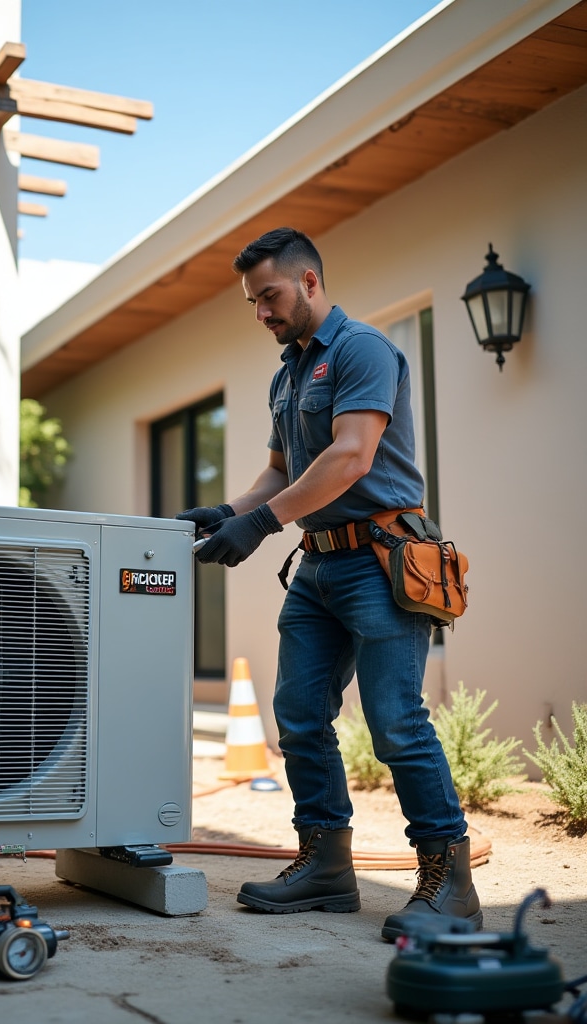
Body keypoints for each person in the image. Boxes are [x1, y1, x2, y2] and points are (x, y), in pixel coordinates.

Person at [177, 227, 480, 941]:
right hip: (318, 567)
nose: (262, 313)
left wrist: (261, 526)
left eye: (271, 296)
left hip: (381, 560)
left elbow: (351, 456)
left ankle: (449, 879)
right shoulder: (287, 376)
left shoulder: (363, 350)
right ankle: (327, 866)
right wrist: (231, 511)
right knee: (300, 715)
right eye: (253, 302)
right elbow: (282, 472)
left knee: (397, 724)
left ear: (310, 281)